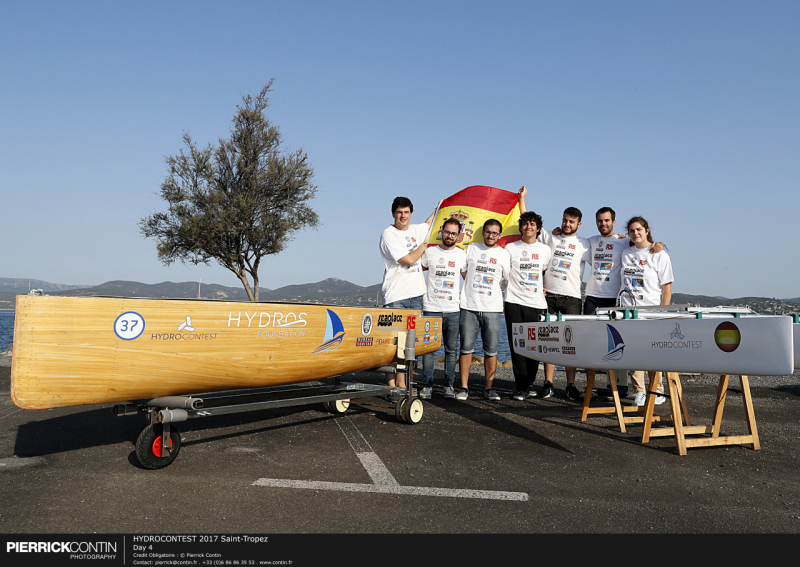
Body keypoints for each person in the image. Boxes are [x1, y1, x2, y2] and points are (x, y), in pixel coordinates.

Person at [583, 207, 663, 398]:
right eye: (600, 221)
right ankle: (591, 386)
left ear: (613, 222)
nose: (603, 224)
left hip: (615, 299)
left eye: (607, 220)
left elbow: (643, 242)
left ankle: (626, 387)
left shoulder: (624, 242)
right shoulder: (591, 241)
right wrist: (558, 232)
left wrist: (659, 244)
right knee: (589, 342)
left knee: (621, 343)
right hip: (593, 297)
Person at [519, 188, 590, 401]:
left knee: (570, 344)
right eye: (565, 220)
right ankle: (548, 383)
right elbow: (528, 220)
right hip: (548, 296)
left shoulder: (585, 244)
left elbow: (609, 247)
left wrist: (623, 237)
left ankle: (570, 385)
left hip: (572, 298)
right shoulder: (551, 237)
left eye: (571, 222)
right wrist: (522, 199)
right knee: (548, 341)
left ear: (579, 224)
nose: (567, 224)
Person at [379, 196, 438, 401]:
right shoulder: (389, 234)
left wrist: (438, 207)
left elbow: (430, 223)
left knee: (408, 346)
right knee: (392, 345)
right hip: (397, 295)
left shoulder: (415, 230)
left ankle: (402, 385)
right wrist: (424, 246)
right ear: (393, 214)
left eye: (406, 212)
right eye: (399, 212)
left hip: (416, 296)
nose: (403, 216)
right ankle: (391, 387)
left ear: (411, 213)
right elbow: (408, 260)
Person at [619, 216, 674, 406]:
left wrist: (664, 312)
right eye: (632, 230)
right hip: (629, 310)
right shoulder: (625, 252)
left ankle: (657, 389)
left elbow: (667, 287)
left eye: (639, 229)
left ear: (647, 230)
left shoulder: (659, 254)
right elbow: (613, 239)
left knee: (653, 352)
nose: (636, 233)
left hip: (652, 310)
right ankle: (640, 391)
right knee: (633, 352)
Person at [456, 219, 511, 401]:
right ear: (483, 232)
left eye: (494, 233)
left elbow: (509, 278)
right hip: (469, 306)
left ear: (499, 235)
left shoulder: (504, 254)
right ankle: (463, 387)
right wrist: (470, 283)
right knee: (465, 349)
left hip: (493, 308)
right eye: (488, 232)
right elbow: (462, 269)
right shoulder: (471, 248)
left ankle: (489, 388)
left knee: (491, 351)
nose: (490, 236)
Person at [503, 205, 551, 401]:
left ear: (538, 228)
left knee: (535, 345)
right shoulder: (510, 248)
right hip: (514, 301)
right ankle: (521, 386)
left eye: (532, 224)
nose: (528, 227)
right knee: (517, 345)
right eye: (525, 224)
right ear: (520, 227)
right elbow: (506, 273)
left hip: (537, 304)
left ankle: (530, 382)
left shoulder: (545, 250)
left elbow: (546, 272)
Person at [419, 217, 467, 399]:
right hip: (431, 308)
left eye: (454, 233)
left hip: (454, 309)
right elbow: (414, 271)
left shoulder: (462, 255)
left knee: (451, 350)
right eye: (447, 232)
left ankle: (449, 386)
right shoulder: (429, 252)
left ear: (458, 236)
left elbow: (468, 279)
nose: (449, 236)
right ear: (441, 232)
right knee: (429, 350)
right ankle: (428, 386)